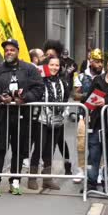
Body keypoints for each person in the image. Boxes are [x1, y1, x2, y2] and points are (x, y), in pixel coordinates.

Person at [0, 38, 44, 197]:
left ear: (18, 51)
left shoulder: (29, 69)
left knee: (19, 148)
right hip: (2, 116)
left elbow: (39, 89)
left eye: (12, 49)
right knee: (0, 148)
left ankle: (15, 180)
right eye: (6, 50)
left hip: (22, 115)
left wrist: (24, 99)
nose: (9, 52)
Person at [27, 56, 70, 191]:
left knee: (50, 150)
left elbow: (65, 101)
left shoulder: (63, 83)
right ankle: (32, 179)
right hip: (41, 120)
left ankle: (47, 179)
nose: (54, 67)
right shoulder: (40, 82)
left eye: (57, 65)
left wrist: (63, 114)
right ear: (46, 66)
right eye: (51, 65)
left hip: (57, 121)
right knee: (39, 148)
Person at [83, 53, 108, 193]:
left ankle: (107, 183)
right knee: (93, 155)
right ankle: (91, 183)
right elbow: (88, 99)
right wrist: (84, 113)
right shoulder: (98, 79)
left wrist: (107, 101)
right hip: (96, 124)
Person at [73, 48, 105, 183]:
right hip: (83, 114)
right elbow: (75, 95)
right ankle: (81, 169)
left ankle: (98, 171)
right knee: (81, 142)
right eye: (97, 61)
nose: (100, 64)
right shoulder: (80, 76)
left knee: (100, 144)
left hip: (100, 116)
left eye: (101, 62)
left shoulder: (106, 77)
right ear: (90, 61)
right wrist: (90, 97)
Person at [43, 39, 73, 175]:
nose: (50, 57)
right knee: (43, 142)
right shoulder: (43, 67)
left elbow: (66, 95)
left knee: (60, 141)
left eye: (52, 54)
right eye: (47, 55)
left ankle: (67, 163)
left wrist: (63, 111)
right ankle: (45, 167)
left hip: (59, 113)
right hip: (44, 115)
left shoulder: (61, 72)